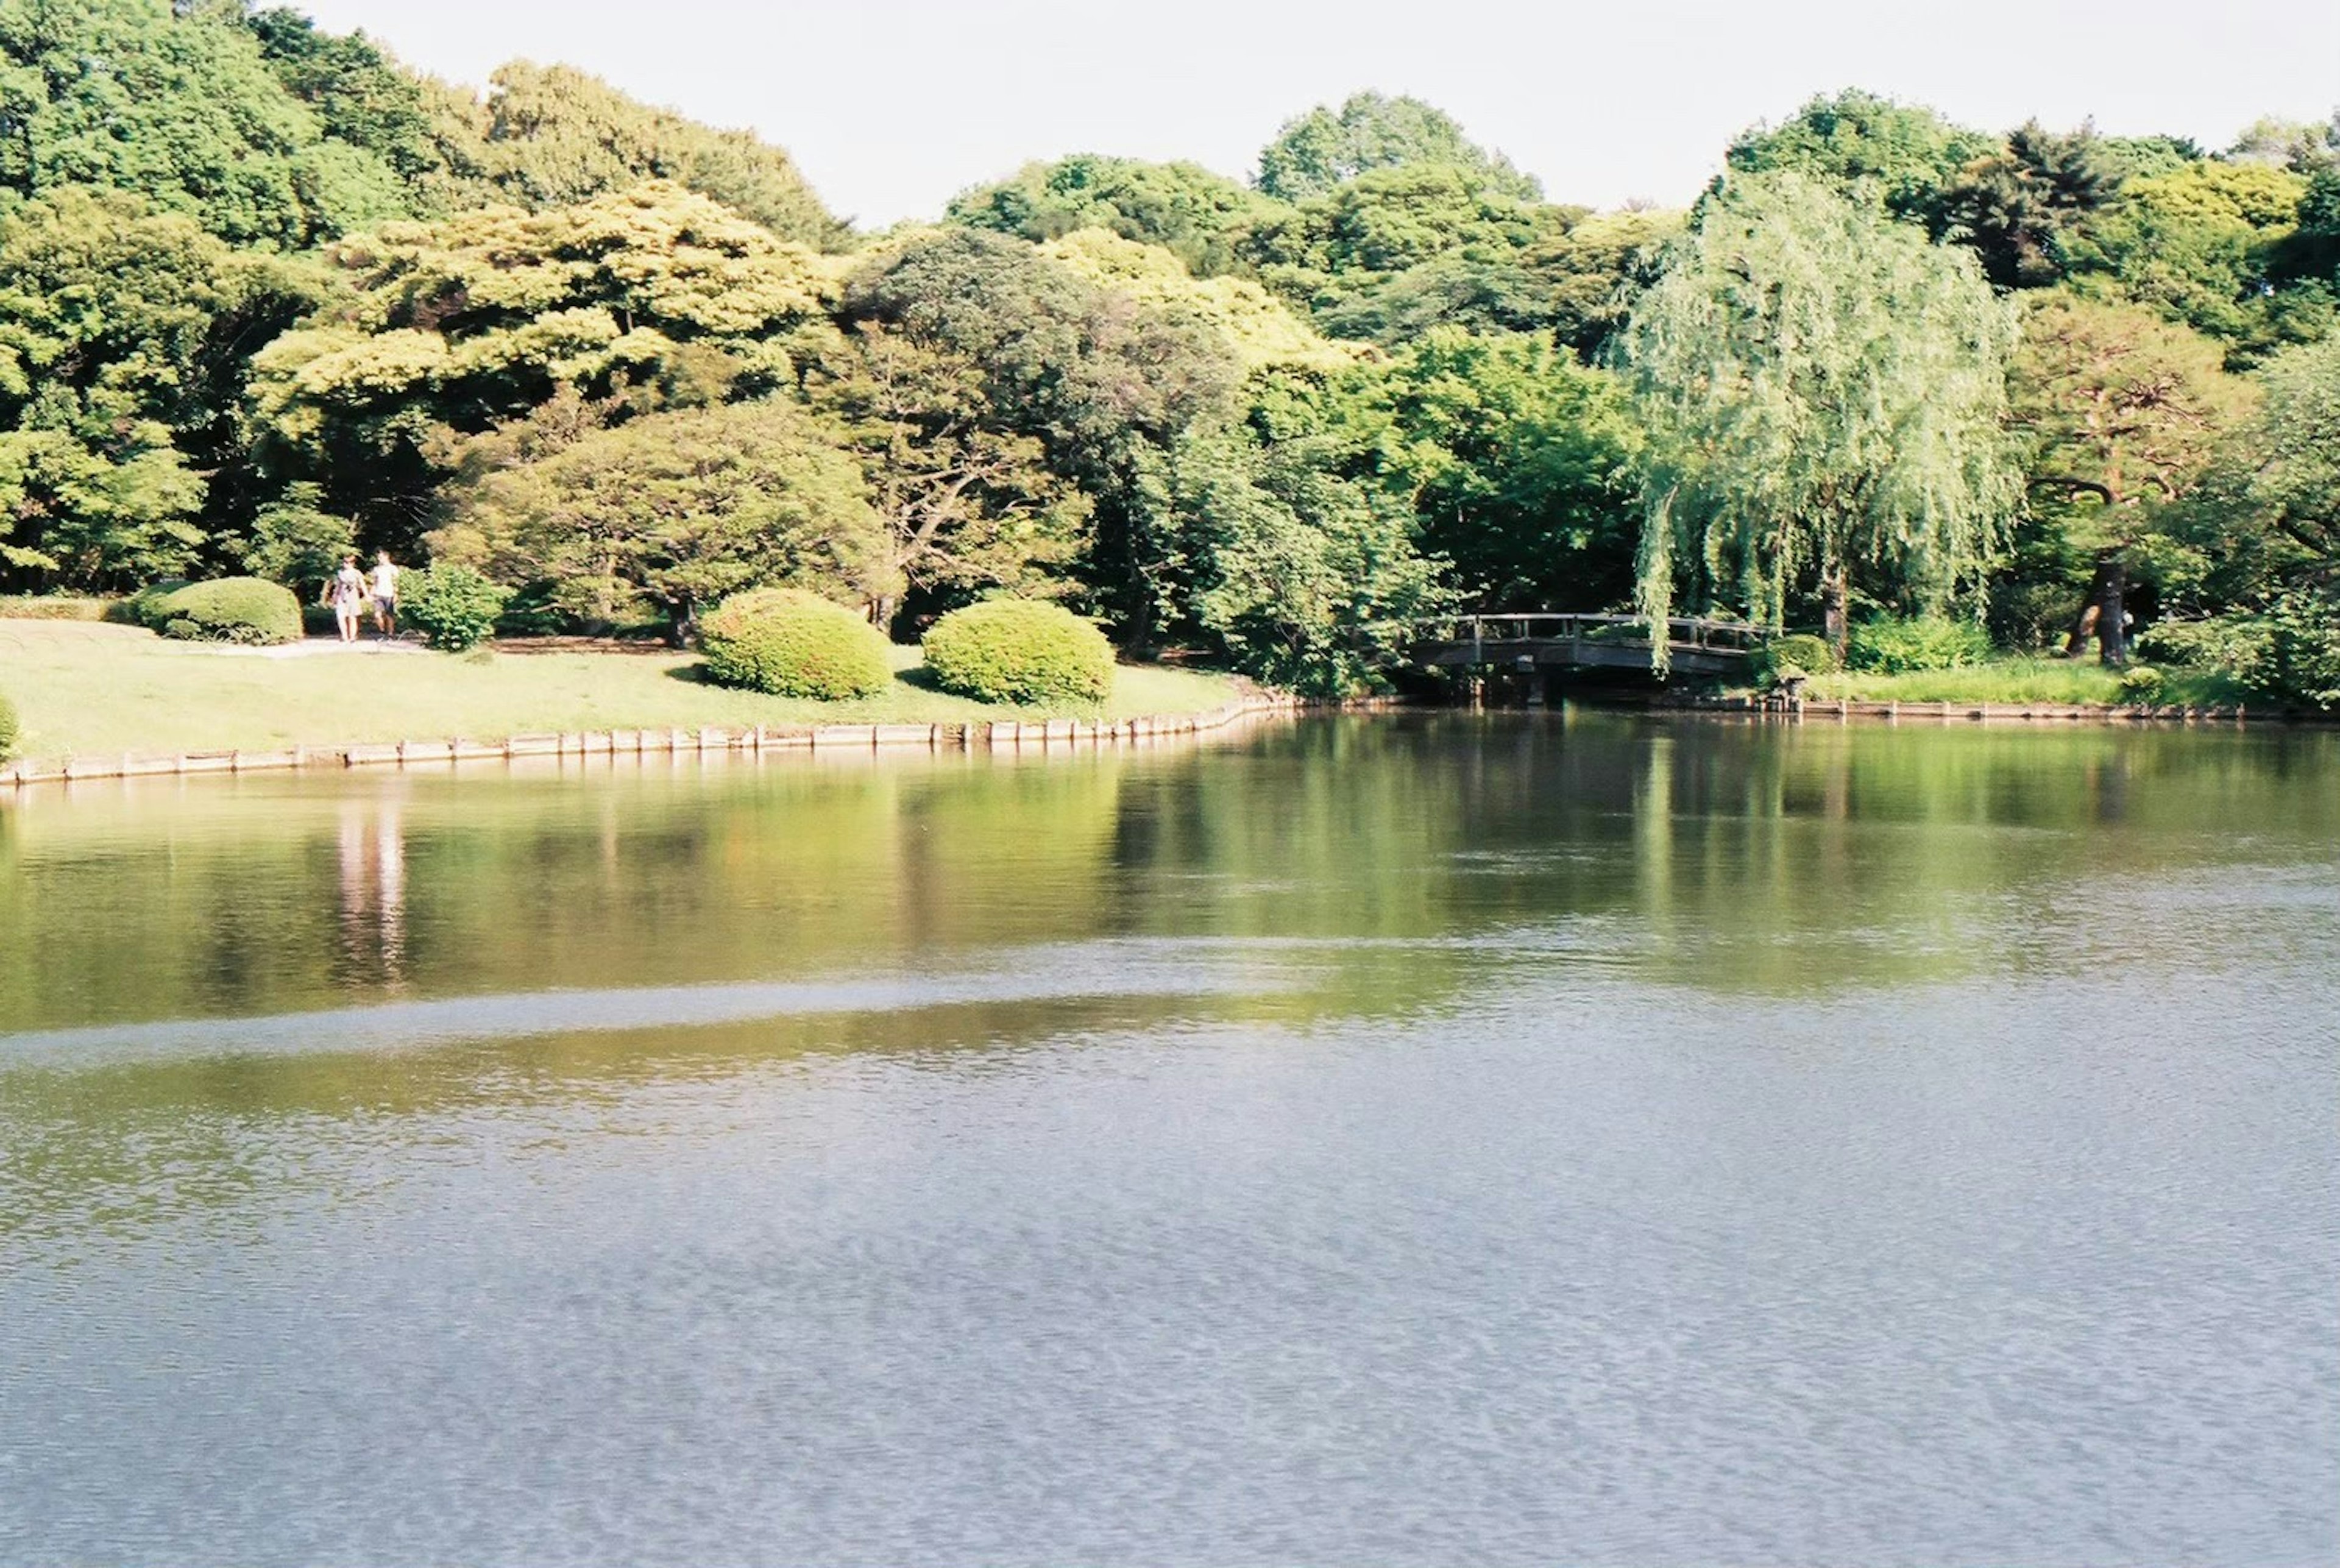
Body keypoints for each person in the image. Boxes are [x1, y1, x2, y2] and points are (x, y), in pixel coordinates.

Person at [325, 555, 367, 644]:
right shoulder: (341, 573)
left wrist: (367, 595)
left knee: (353, 616)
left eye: (348, 562)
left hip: (353, 596)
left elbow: (362, 584)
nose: (346, 564)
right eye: (345, 562)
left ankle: (352, 637)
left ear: (353, 563)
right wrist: (335, 596)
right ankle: (344, 636)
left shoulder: (357, 573)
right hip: (342, 596)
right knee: (341, 616)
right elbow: (339, 586)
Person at [370, 551, 401, 637]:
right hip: (379, 593)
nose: (379, 559)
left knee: (389, 615)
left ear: (386, 557)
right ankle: (383, 630)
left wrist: (396, 594)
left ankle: (391, 633)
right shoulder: (377, 569)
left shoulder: (393, 568)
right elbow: (375, 582)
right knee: (377, 615)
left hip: (389, 593)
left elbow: (396, 582)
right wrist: (371, 594)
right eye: (379, 558)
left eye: (381, 557)